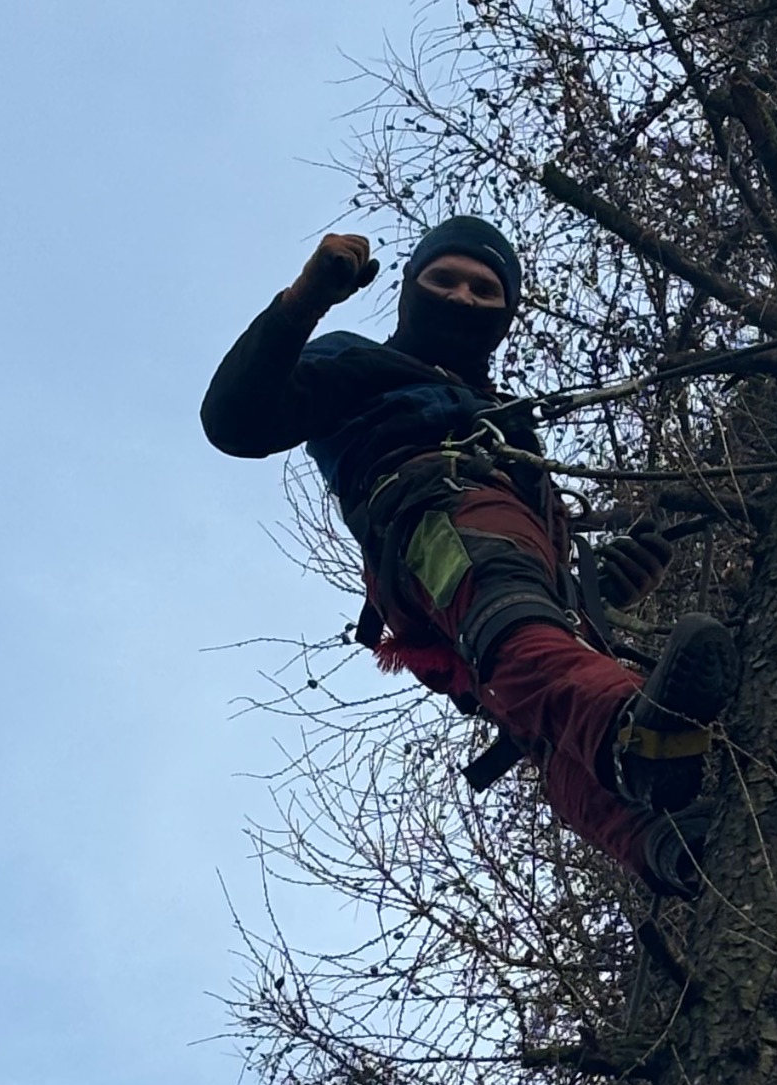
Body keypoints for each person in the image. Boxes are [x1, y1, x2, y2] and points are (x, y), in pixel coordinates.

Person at [201, 217, 737, 894]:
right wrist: (307, 299)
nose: (462, 299)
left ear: (507, 313)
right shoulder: (357, 364)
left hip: (468, 588)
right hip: (431, 518)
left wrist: (603, 586)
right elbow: (235, 421)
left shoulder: (508, 421)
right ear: (408, 291)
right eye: (443, 280)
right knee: (517, 626)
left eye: (485, 290)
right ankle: (628, 734)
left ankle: (667, 841)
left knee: (538, 711)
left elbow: (528, 572)